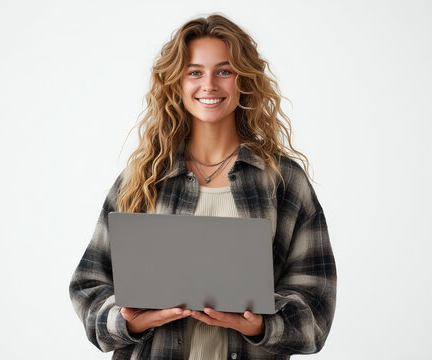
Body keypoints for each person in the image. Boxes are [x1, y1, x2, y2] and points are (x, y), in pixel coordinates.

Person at [69, 13, 336, 360]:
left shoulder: (284, 181)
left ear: (244, 80)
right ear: (177, 83)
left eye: (224, 71)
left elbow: (316, 309)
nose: (209, 84)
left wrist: (258, 325)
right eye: (195, 72)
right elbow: (89, 284)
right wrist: (130, 322)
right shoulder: (144, 177)